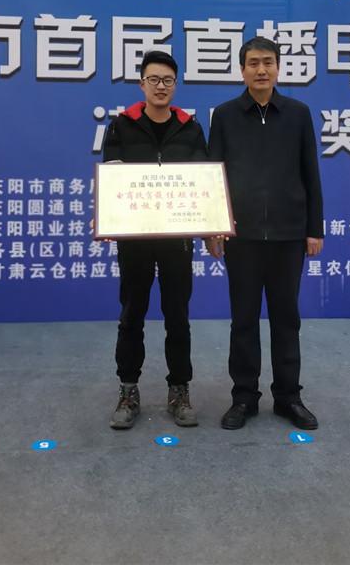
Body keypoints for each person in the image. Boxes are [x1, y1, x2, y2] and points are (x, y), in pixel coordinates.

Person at [208, 37, 324, 431]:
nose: (261, 70)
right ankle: (244, 397)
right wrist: (215, 227)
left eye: (268, 62)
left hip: (289, 235)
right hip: (241, 237)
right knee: (243, 319)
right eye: (254, 63)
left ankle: (288, 397)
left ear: (278, 68)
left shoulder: (297, 114)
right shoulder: (225, 116)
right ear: (241, 70)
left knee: (286, 319)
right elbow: (214, 173)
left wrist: (314, 228)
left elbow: (311, 173)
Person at [102, 50, 208, 430]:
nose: (160, 86)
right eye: (154, 79)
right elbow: (111, 180)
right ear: (141, 84)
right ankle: (128, 390)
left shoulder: (191, 128)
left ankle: (179, 389)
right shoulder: (121, 126)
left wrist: (211, 225)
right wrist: (106, 216)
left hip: (177, 237)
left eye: (167, 80)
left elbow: (204, 183)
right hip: (134, 238)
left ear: (175, 85)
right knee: (132, 313)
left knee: (178, 315)